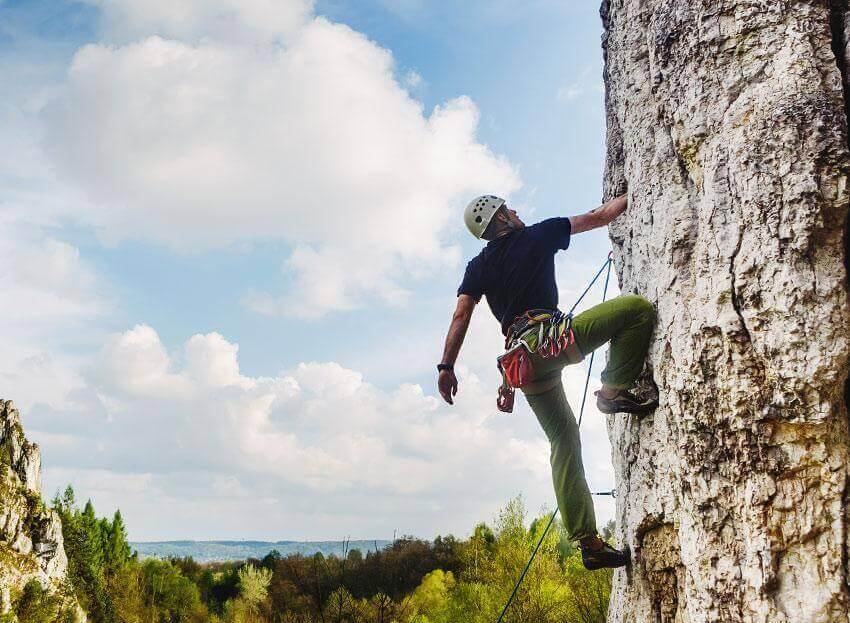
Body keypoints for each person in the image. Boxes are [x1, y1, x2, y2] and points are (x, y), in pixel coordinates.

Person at [436, 194, 657, 570]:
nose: (517, 212)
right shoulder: (537, 235)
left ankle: (589, 543)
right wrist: (635, 192)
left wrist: (446, 367)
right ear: (502, 217)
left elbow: (461, 315)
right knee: (636, 310)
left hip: (522, 365)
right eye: (511, 209)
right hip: (550, 341)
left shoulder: (478, 266)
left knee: (563, 440)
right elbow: (598, 216)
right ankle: (613, 391)